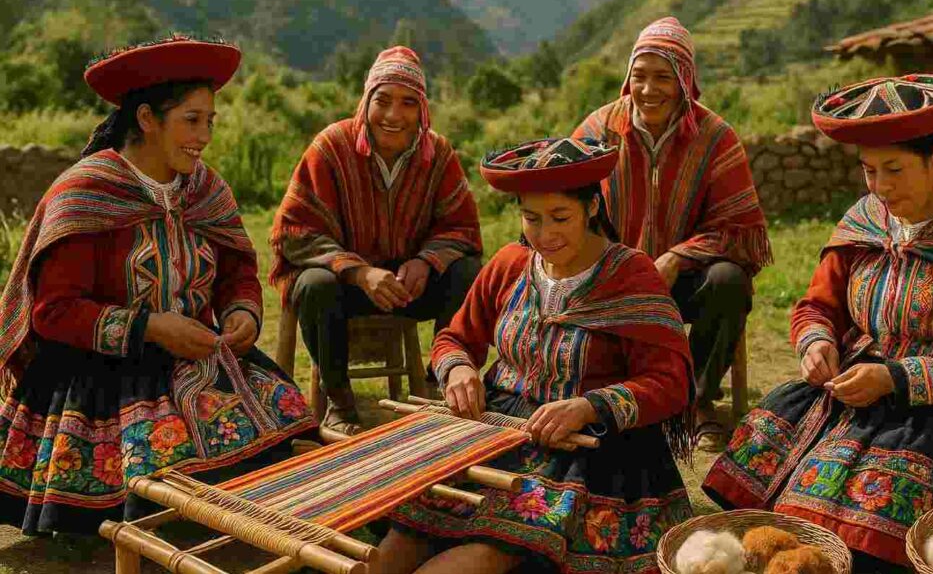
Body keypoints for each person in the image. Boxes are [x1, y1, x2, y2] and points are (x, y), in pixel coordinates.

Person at [701, 74, 933, 569]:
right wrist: (815, 344)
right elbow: (817, 306)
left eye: (894, 169)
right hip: (861, 387)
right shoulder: (867, 222)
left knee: (873, 524)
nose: (879, 187)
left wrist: (893, 379)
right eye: (869, 171)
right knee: (786, 510)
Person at [0, 35, 316, 535]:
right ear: (147, 119)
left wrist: (242, 312)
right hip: (105, 374)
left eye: (209, 121)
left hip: (196, 353)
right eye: (192, 120)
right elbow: (54, 311)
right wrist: (150, 326)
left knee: (285, 424)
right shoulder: (87, 193)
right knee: (162, 472)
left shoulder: (204, 188)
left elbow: (237, 269)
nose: (204, 136)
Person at [377, 137, 697, 574]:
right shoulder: (511, 264)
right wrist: (458, 371)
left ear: (592, 209)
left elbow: (670, 381)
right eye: (532, 218)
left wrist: (589, 405)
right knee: (402, 542)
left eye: (560, 217)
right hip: (499, 430)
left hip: (587, 446)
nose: (544, 234)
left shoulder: (630, 275)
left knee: (486, 553)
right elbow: (455, 337)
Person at [571, 17, 771, 450]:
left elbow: (738, 227)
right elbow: (569, 206)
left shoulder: (715, 137)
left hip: (684, 280)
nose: (648, 89)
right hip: (614, 276)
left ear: (685, 80)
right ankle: (611, 394)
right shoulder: (600, 130)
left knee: (729, 282)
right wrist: (618, 262)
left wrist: (678, 257)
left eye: (663, 77)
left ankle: (694, 401)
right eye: (639, 76)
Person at [270, 46, 483, 435]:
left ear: (422, 110)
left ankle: (442, 387)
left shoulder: (439, 155)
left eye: (408, 103)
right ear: (366, 101)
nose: (393, 116)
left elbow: (462, 229)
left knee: (466, 272)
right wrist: (358, 272)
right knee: (315, 283)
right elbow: (294, 232)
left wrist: (426, 261)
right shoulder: (331, 147)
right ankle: (340, 402)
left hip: (406, 286)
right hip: (344, 288)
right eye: (382, 101)